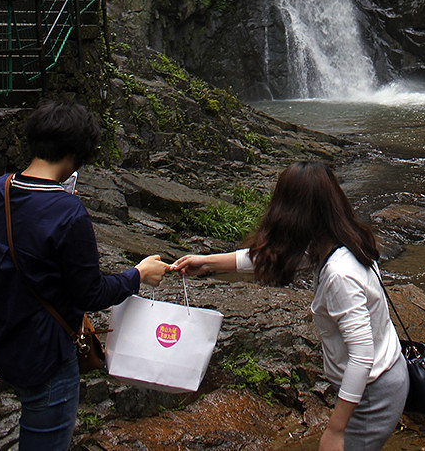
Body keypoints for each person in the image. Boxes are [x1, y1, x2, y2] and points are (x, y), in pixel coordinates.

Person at [173, 160, 409, 451]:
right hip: (380, 380)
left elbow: (362, 356)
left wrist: (335, 430)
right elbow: (274, 257)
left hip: (374, 394)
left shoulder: (340, 275)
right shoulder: (339, 242)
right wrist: (207, 262)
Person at [0, 100, 168, 451]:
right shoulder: (68, 212)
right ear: (75, 154)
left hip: (5, 342)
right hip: (46, 354)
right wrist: (138, 274)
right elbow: (90, 293)